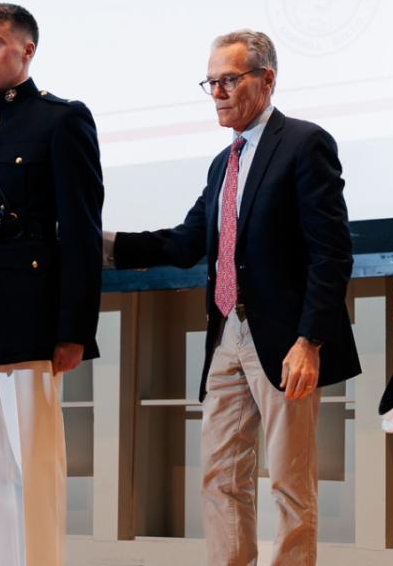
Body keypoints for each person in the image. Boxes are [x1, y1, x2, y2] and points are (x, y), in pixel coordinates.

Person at [104, 30, 360, 566]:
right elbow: (184, 241)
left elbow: (331, 253)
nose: (218, 92)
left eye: (229, 80)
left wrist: (310, 340)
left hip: (285, 338)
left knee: (289, 482)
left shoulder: (304, 143)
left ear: (266, 80)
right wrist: (98, 245)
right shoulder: (224, 162)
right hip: (226, 332)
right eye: (211, 82)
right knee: (220, 477)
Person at [0, 4, 103, 566]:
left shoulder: (61, 119)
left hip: (31, 313)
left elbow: (80, 231)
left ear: (27, 50)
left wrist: (74, 328)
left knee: (35, 465)